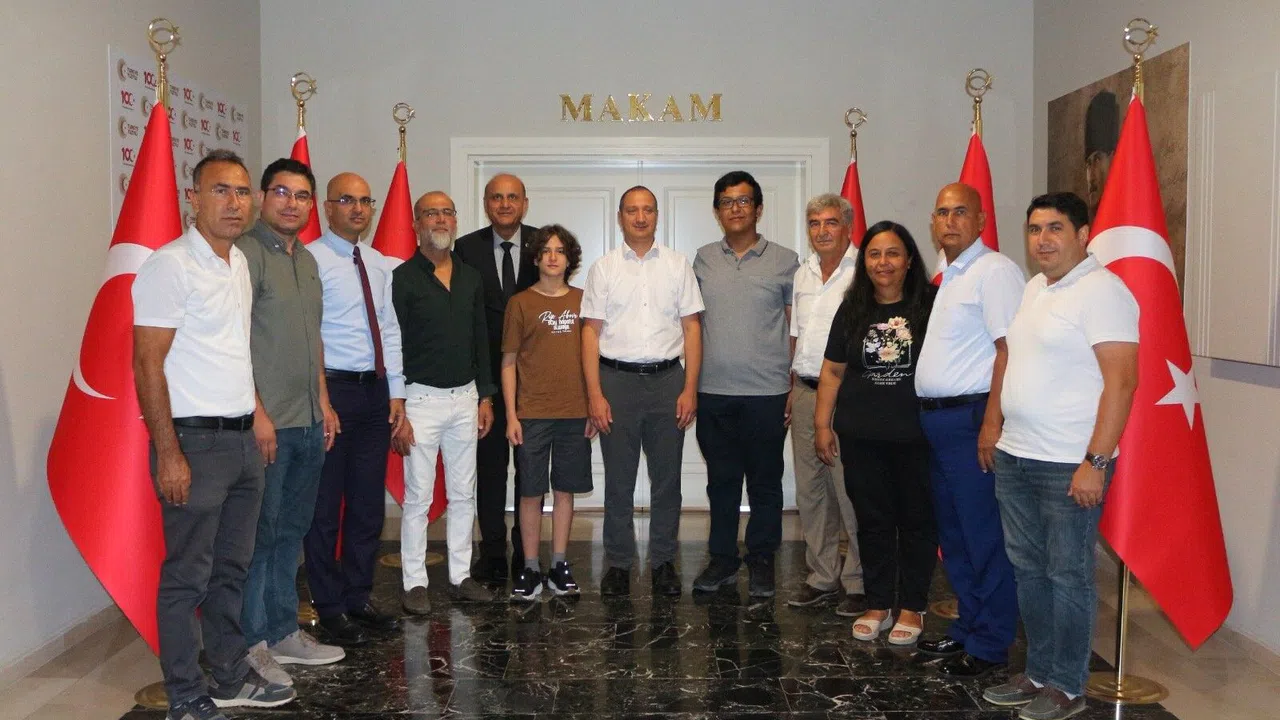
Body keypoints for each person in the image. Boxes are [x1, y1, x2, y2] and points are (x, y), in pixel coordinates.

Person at [133, 149, 295, 719]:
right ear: (193, 198)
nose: (234, 202)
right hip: (194, 445)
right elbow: (147, 364)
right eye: (220, 190)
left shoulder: (239, 263)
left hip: (242, 441)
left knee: (232, 571)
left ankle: (227, 675)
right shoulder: (170, 265)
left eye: (243, 191)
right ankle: (184, 694)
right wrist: (168, 452)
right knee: (188, 578)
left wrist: (257, 414)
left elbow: (234, 350)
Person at [982, 192, 1138, 720]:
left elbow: (1122, 382)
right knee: (1029, 570)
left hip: (1068, 464)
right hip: (1017, 456)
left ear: (1083, 234)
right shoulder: (1035, 288)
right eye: (1034, 229)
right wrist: (997, 429)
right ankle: (1038, 673)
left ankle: (1068, 686)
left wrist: (1096, 462)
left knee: (1068, 576)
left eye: (1055, 228)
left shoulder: (1104, 292)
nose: (1042, 239)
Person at [235, 158, 344, 684]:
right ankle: (251, 643)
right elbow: (235, 340)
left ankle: (283, 631)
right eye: (281, 192)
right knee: (261, 535)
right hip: (268, 424)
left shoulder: (307, 260)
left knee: (292, 530)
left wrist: (324, 400)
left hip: (307, 420)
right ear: (262, 197)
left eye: (301, 195)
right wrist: (257, 413)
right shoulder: (244, 255)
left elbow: (312, 336)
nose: (291, 203)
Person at [915, 182, 1027, 677]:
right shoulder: (948, 273)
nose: (950, 221)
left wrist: (991, 423)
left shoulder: (995, 272)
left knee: (983, 537)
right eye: (942, 212)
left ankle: (991, 643)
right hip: (938, 421)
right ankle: (967, 628)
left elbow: (1009, 350)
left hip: (971, 419)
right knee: (956, 537)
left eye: (961, 212)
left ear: (981, 220)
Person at [814, 221, 938, 646]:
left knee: (917, 522)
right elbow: (832, 371)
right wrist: (822, 425)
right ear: (864, 262)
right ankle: (879, 603)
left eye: (892, 253)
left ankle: (913, 606)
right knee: (872, 522)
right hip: (861, 437)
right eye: (874, 254)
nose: (883, 262)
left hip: (917, 437)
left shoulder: (932, 306)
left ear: (909, 260)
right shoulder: (852, 309)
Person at [582, 185, 704, 597]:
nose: (640, 217)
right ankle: (618, 563)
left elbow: (692, 328)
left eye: (647, 210)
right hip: (616, 381)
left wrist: (690, 388)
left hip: (669, 382)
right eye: (632, 210)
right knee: (619, 480)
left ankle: (664, 562)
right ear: (620, 217)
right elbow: (590, 333)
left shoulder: (677, 264)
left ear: (656, 216)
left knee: (667, 480)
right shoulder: (604, 268)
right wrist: (595, 395)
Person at [304, 172, 406, 646]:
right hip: (333, 393)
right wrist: (321, 397)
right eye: (347, 200)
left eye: (365, 201)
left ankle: (357, 596)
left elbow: (389, 329)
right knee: (325, 508)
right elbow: (309, 334)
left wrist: (396, 393)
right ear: (327, 207)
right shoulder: (310, 260)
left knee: (367, 506)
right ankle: (328, 606)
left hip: (373, 393)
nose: (358, 209)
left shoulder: (378, 263)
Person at [691, 170, 799, 598]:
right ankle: (722, 559)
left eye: (743, 201)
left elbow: (794, 326)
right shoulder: (702, 259)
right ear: (717, 211)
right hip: (713, 391)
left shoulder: (785, 260)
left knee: (765, 483)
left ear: (758, 208)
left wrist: (793, 382)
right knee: (721, 482)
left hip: (767, 394)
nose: (735, 208)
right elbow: (691, 325)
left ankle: (762, 559)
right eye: (727, 202)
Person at [393, 191, 497, 612]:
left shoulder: (470, 277)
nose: (440, 220)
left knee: (463, 494)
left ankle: (460, 576)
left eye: (447, 213)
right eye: (430, 213)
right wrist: (398, 405)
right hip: (420, 400)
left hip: (466, 399)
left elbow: (480, 339)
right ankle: (414, 582)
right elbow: (394, 344)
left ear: (455, 221)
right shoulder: (402, 278)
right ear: (416, 224)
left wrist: (485, 396)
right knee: (418, 497)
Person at [501, 224, 596, 601]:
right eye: (546, 251)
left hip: (575, 413)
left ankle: (558, 565)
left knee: (565, 489)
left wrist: (594, 405)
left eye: (560, 251)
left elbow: (595, 357)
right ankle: (529, 567)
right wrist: (512, 415)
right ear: (536, 258)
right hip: (532, 413)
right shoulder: (520, 303)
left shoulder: (584, 301)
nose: (553, 257)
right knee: (530, 491)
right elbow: (508, 362)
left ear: (569, 259)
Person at [454, 173, 539, 584]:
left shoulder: (543, 244)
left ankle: (526, 550)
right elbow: (461, 317)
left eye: (512, 197)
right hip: (485, 381)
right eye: (496, 198)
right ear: (486, 203)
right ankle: (491, 552)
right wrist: (479, 388)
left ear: (525, 203)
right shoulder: (465, 249)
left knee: (530, 469)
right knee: (489, 470)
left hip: (534, 381)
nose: (505, 204)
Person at [786, 193, 867, 616]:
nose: (822, 231)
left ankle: (858, 581)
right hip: (804, 392)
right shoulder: (803, 274)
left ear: (847, 226)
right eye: (814, 223)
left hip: (848, 395)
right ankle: (821, 576)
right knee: (811, 491)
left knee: (850, 489)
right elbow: (796, 336)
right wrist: (791, 385)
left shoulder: (864, 272)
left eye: (830, 222)